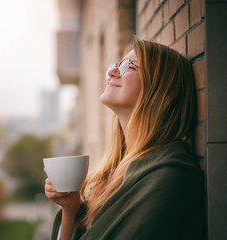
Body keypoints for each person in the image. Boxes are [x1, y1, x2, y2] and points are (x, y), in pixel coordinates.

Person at [44, 38, 206, 240]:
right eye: (116, 65)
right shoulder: (116, 170)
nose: (112, 72)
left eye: (128, 66)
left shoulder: (167, 178)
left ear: (158, 88)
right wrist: (71, 209)